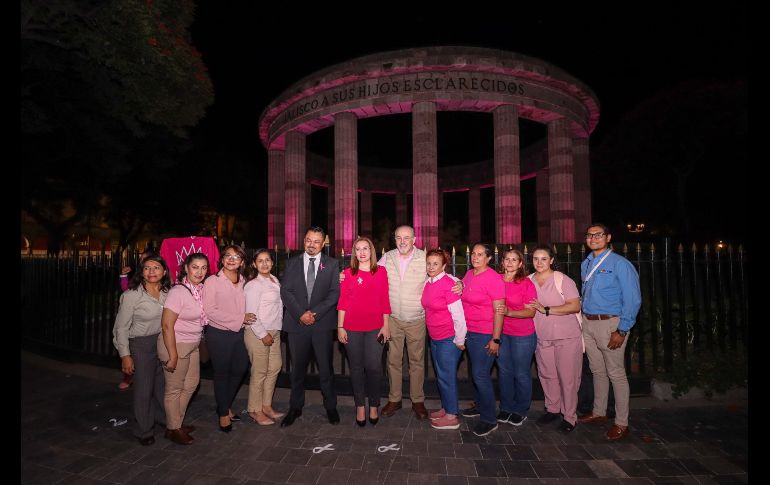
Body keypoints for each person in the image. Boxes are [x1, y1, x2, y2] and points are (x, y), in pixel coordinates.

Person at [371, 225, 462, 420]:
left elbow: (442, 274)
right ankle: (394, 399)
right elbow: (371, 274)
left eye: (406, 237)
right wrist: (345, 276)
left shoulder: (424, 258)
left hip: (417, 320)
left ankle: (417, 400)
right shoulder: (388, 258)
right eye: (398, 238)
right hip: (393, 319)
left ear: (414, 239)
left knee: (417, 362)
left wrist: (459, 283)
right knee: (393, 361)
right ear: (394, 240)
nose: (402, 241)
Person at [577, 223, 642, 441]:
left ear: (608, 237)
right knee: (597, 370)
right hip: (589, 322)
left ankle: (622, 422)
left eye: (598, 234)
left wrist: (622, 329)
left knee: (616, 373)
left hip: (610, 324)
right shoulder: (586, 264)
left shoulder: (620, 264)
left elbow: (633, 299)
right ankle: (599, 411)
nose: (593, 238)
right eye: (590, 234)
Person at [280, 227, 341, 427]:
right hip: (297, 325)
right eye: (308, 240)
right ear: (303, 240)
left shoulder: (332, 264)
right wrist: (300, 314)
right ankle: (295, 407)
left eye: (316, 241)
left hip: (321, 324)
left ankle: (331, 407)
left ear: (323, 243)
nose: (311, 244)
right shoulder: (291, 263)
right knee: (297, 370)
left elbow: (334, 294)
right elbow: (286, 292)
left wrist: (314, 313)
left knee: (326, 369)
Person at [111, 254, 171, 446]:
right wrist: (125, 356)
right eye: (147, 268)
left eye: (156, 267)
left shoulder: (168, 293)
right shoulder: (131, 295)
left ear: (164, 271)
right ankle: (144, 430)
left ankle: (164, 420)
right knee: (144, 389)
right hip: (140, 344)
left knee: (162, 386)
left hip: (162, 342)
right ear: (141, 272)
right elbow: (120, 328)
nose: (152, 271)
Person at [525, 245, 583, 433]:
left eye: (543, 259)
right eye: (535, 259)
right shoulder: (528, 280)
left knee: (568, 377)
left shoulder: (562, 280)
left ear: (551, 260)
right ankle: (552, 409)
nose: (539, 262)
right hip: (542, 337)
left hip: (566, 336)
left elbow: (574, 306)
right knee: (547, 374)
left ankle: (569, 416)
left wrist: (547, 309)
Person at [202, 244, 256, 432]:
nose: (232, 259)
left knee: (240, 370)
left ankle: (223, 404)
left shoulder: (244, 281)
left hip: (240, 333)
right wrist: (240, 318)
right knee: (222, 373)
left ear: (242, 261)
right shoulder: (212, 281)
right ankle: (224, 413)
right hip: (219, 334)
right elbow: (210, 311)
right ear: (222, 259)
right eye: (228, 256)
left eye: (236, 257)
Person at [337, 237, 391, 426]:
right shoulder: (347, 273)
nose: (362, 252)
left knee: (374, 367)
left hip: (376, 327)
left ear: (372, 251)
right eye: (358, 249)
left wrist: (386, 325)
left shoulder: (382, 272)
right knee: (357, 368)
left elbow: (385, 299)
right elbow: (342, 302)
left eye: (365, 248)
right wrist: (340, 327)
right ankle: (360, 405)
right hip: (351, 327)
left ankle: (374, 404)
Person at [157, 253, 209, 445]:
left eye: (204, 267)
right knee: (174, 389)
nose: (200, 271)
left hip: (193, 344)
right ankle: (173, 429)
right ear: (186, 268)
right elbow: (166, 325)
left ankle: (175, 422)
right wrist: (172, 355)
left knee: (191, 385)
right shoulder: (178, 291)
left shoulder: (200, 290)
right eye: (195, 267)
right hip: (175, 345)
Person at [459, 243, 506, 437]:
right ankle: (479, 406)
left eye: (480, 255)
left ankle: (489, 419)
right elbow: (462, 289)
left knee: (480, 375)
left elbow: (499, 310)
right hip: (470, 332)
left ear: (488, 258)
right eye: (473, 254)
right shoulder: (470, 274)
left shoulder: (493, 279)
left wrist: (496, 339)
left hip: (486, 333)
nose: (475, 257)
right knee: (476, 373)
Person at [421, 249, 467, 430]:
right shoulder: (428, 282)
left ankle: (452, 416)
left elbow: (459, 316)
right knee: (442, 376)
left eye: (435, 264)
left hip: (449, 338)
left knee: (447, 377)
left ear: (444, 266)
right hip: (435, 337)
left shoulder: (449, 283)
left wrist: (460, 340)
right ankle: (447, 407)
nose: (431, 267)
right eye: (429, 263)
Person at [494, 249, 538, 426]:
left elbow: (531, 311)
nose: (510, 262)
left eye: (514, 260)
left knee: (521, 373)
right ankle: (506, 407)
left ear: (520, 264)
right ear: (502, 262)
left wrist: (509, 312)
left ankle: (521, 409)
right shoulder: (496, 280)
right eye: (507, 259)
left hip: (522, 335)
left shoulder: (526, 283)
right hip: (501, 333)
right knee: (504, 372)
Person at [243, 249, 285, 425]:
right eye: (260, 261)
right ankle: (254, 409)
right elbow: (250, 314)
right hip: (258, 333)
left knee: (275, 366)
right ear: (254, 264)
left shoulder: (274, 280)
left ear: (272, 262)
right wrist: (262, 334)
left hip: (274, 331)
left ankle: (266, 405)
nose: (265, 263)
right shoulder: (253, 285)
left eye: (267, 260)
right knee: (259, 371)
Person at [117, 249, 153, 390]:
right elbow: (126, 289)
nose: (143, 261)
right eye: (142, 258)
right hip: (133, 319)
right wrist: (123, 275)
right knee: (131, 350)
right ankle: (128, 376)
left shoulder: (157, 275)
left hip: (150, 324)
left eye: (146, 258)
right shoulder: (137, 276)